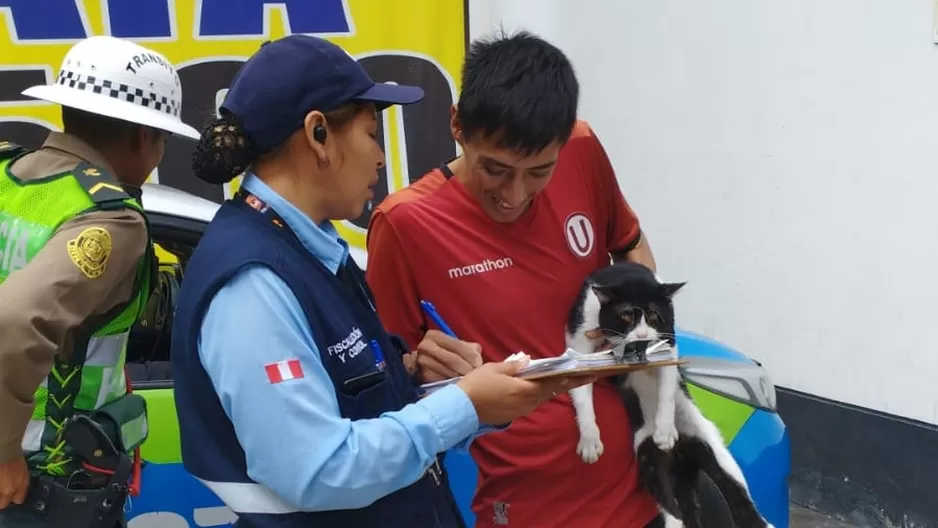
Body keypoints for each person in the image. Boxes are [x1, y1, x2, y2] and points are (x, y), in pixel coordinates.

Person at [170, 34, 592, 528]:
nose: (380, 160)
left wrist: (422, 379)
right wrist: (465, 403)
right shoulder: (253, 283)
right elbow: (317, 469)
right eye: (372, 135)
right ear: (318, 135)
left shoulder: (313, 253)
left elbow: (357, 412)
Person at [365, 31, 735, 527]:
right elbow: (389, 387)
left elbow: (630, 245)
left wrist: (636, 324)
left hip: (638, 493)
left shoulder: (583, 148)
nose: (515, 194)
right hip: (525, 507)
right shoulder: (404, 224)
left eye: (539, 172)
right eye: (494, 169)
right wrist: (423, 368)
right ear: (457, 125)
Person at [0, 36, 200, 527]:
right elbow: (13, 319)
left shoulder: (7, 175)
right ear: (141, 135)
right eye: (162, 139)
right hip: (40, 480)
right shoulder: (109, 217)